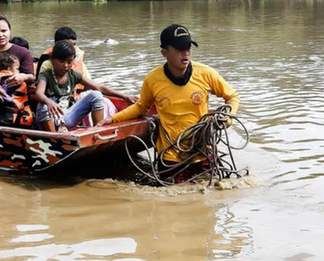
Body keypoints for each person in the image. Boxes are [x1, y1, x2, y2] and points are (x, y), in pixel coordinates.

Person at [101, 24, 240, 162]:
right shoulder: (153, 79)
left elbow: (232, 96)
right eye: (180, 49)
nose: (185, 53)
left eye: (188, 48)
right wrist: (113, 119)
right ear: (165, 53)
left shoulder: (205, 73)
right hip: (170, 156)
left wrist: (228, 118)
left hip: (202, 152)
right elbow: (141, 107)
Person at [33, 40, 136, 132]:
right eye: (61, 61)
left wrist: (125, 96)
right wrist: (49, 102)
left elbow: (99, 88)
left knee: (96, 95)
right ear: (52, 59)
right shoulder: (45, 75)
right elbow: (38, 94)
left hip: (66, 117)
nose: (65, 65)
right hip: (48, 120)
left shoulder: (73, 75)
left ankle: (98, 132)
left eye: (69, 62)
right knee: (44, 106)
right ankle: (54, 138)